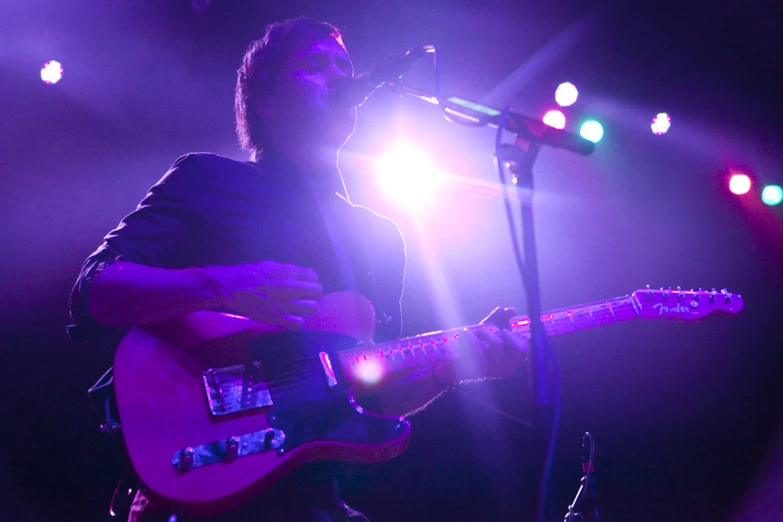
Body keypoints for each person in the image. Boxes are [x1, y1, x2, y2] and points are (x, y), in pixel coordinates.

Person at [69, 16, 526, 522]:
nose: (338, 76)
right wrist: (224, 287)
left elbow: (366, 389)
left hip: (313, 499)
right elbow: (95, 288)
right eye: (314, 64)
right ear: (266, 100)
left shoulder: (378, 235)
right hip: (202, 483)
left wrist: (449, 369)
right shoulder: (207, 178)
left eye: (344, 66)